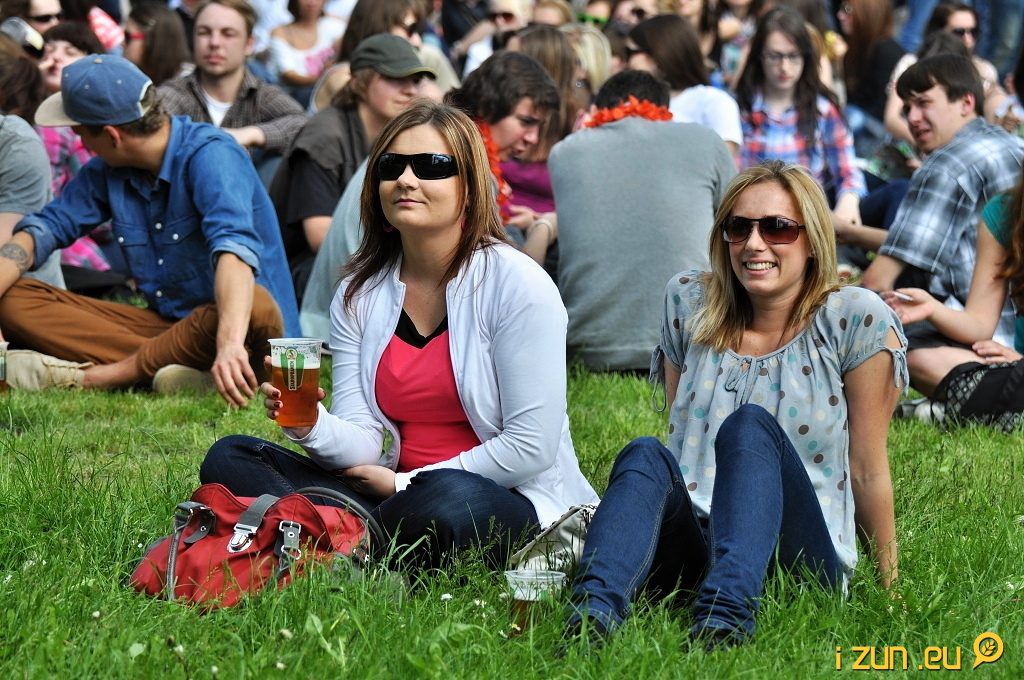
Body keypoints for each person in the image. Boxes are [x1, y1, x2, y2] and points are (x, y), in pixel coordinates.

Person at [200, 100, 599, 570]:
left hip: (499, 495)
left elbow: (530, 448)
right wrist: (310, 425)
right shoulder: (359, 292)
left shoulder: (519, 285)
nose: (405, 179)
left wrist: (403, 484)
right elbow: (366, 439)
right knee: (232, 456)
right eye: (391, 165)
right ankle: (355, 542)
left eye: (431, 166)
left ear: (470, 188)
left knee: (448, 501)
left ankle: (327, 535)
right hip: (384, 493)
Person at [564, 160, 906, 649]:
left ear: (812, 240)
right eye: (738, 227)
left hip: (800, 559)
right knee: (645, 453)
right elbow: (681, 444)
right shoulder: (689, 302)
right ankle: (589, 618)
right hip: (696, 546)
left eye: (778, 228)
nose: (754, 243)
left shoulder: (854, 317)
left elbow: (868, 469)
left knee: (750, 427)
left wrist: (891, 593)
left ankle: (724, 622)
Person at [0, 55, 299, 404]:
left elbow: (234, 250)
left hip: (242, 330)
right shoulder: (110, 169)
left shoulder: (212, 154)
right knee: (14, 298)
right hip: (170, 329)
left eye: (81, 134)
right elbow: (44, 228)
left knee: (258, 302)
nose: (83, 145)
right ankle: (181, 371)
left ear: (112, 135)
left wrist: (229, 346)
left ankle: (102, 377)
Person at [299, 49, 560, 342]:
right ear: (490, 108)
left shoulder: (420, 136)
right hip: (352, 330)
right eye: (526, 121)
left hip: (324, 322)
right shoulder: (461, 163)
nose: (533, 138)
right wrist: (546, 226)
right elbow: (511, 285)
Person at [550, 69, 735, 372]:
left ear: (597, 111)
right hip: (694, 342)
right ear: (665, 112)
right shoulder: (706, 140)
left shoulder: (565, 151)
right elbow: (736, 223)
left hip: (588, 349)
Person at [860, 54, 1024, 362]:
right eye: (907, 108)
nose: (912, 118)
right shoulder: (1015, 145)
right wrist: (849, 232)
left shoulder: (947, 163)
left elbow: (876, 281)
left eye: (924, 103)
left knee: (888, 339)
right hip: (1008, 332)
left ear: (966, 102)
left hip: (982, 343)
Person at [270, 33, 435, 305]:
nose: (409, 90)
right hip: (304, 278)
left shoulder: (397, 135)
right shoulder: (325, 136)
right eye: (395, 78)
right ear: (359, 82)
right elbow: (320, 237)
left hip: (367, 260)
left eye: (415, 80)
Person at [883, 169, 1024, 400]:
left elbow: (878, 275)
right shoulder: (1005, 212)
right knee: (918, 356)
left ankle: (978, 401)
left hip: (1016, 367)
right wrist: (932, 308)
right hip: (1013, 369)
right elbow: (980, 323)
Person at [735, 7, 866, 234]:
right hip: (751, 222)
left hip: (808, 222)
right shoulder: (739, 107)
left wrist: (849, 200)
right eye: (775, 56)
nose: (784, 67)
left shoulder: (823, 109)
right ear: (759, 56)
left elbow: (847, 170)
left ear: (806, 57)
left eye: (793, 56)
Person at [158, 0, 308, 178]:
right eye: (204, 32)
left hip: (250, 190)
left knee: (278, 161)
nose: (214, 43)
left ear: (249, 44)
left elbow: (302, 124)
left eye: (228, 34)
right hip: (184, 190)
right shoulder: (176, 92)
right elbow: (154, 121)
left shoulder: (261, 94)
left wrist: (251, 134)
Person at [310, 0, 459, 113]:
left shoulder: (427, 55)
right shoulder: (343, 78)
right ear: (378, 24)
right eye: (411, 29)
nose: (417, 41)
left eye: (415, 80)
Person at [627, 14, 742, 155]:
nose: (626, 62)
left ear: (658, 53)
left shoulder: (713, 101)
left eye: (630, 52)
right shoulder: (630, 103)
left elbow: (724, 161)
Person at [837, 0, 906, 157]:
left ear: (867, 15)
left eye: (847, 10)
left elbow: (882, 110)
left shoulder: (887, 52)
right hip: (863, 120)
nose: (840, 15)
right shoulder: (854, 49)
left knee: (850, 117)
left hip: (882, 130)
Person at [268, 0, 347, 108]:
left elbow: (348, 46)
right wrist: (324, 78)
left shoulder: (332, 25)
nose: (312, 2)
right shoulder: (280, 33)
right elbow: (289, 75)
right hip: (296, 97)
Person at [122, 2, 192, 87]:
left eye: (128, 36)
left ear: (153, 40)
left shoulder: (188, 85)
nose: (122, 43)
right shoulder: (125, 78)